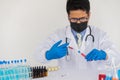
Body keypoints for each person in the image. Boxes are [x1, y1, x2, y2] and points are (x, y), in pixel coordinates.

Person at [35, 0, 120, 80]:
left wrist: (105, 55)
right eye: (74, 19)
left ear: (89, 15)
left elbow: (116, 58)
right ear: (68, 16)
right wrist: (48, 54)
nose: (78, 22)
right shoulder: (58, 35)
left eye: (83, 18)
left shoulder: (100, 35)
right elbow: (37, 55)